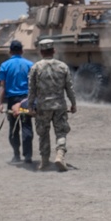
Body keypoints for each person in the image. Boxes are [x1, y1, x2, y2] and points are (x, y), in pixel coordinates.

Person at [28, 38, 77, 171]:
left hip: (43, 107)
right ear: (54, 51)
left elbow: (31, 89)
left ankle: (44, 161)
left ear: (41, 52)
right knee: (61, 132)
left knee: (43, 134)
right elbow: (69, 88)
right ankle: (60, 156)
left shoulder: (35, 67)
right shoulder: (63, 66)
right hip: (59, 106)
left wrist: (30, 106)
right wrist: (73, 104)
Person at [0, 40, 34, 164]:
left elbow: (2, 86)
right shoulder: (30, 65)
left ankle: (16, 155)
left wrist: (0, 103)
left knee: (13, 128)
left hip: (12, 102)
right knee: (27, 126)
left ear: (10, 51)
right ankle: (28, 156)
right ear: (22, 51)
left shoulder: (5, 65)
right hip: (26, 100)